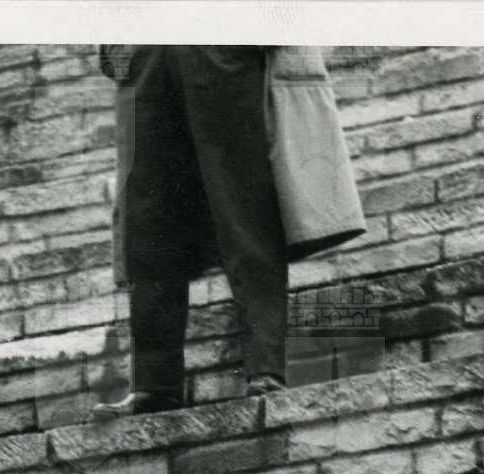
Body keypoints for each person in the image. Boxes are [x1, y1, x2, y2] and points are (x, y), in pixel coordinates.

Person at [95, 46, 366, 416]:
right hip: (146, 49)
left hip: (218, 42)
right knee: (148, 220)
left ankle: (265, 368)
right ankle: (155, 385)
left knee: (243, 207)